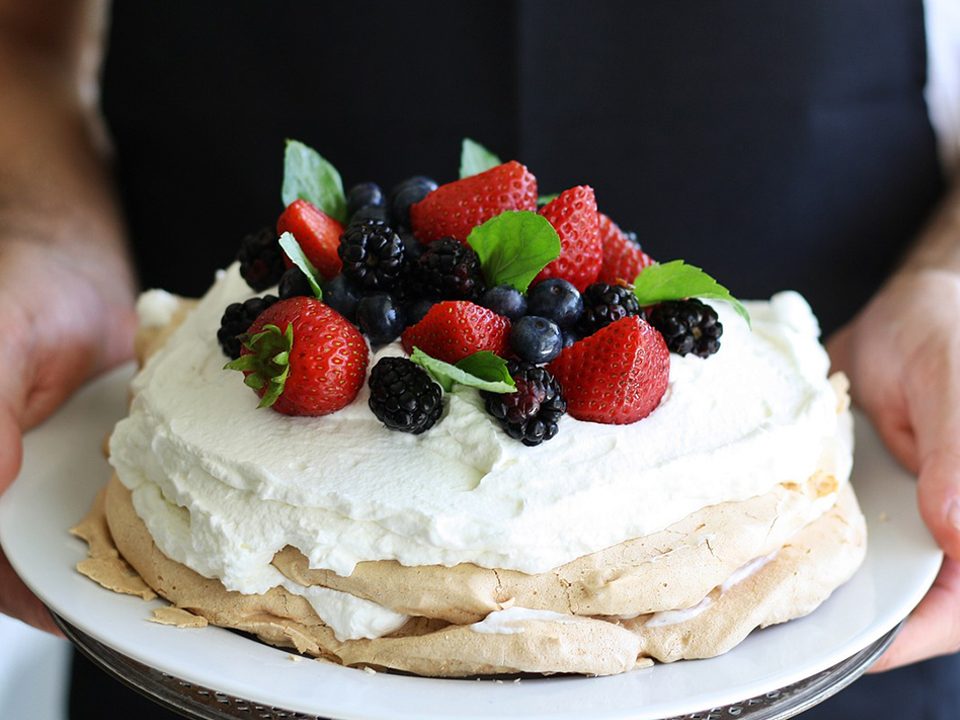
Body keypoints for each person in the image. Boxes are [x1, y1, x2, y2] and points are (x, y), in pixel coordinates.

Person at [1, 1, 959, 717]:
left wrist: (947, 284)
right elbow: (23, 33)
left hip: (836, 507)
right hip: (204, 631)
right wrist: (47, 240)